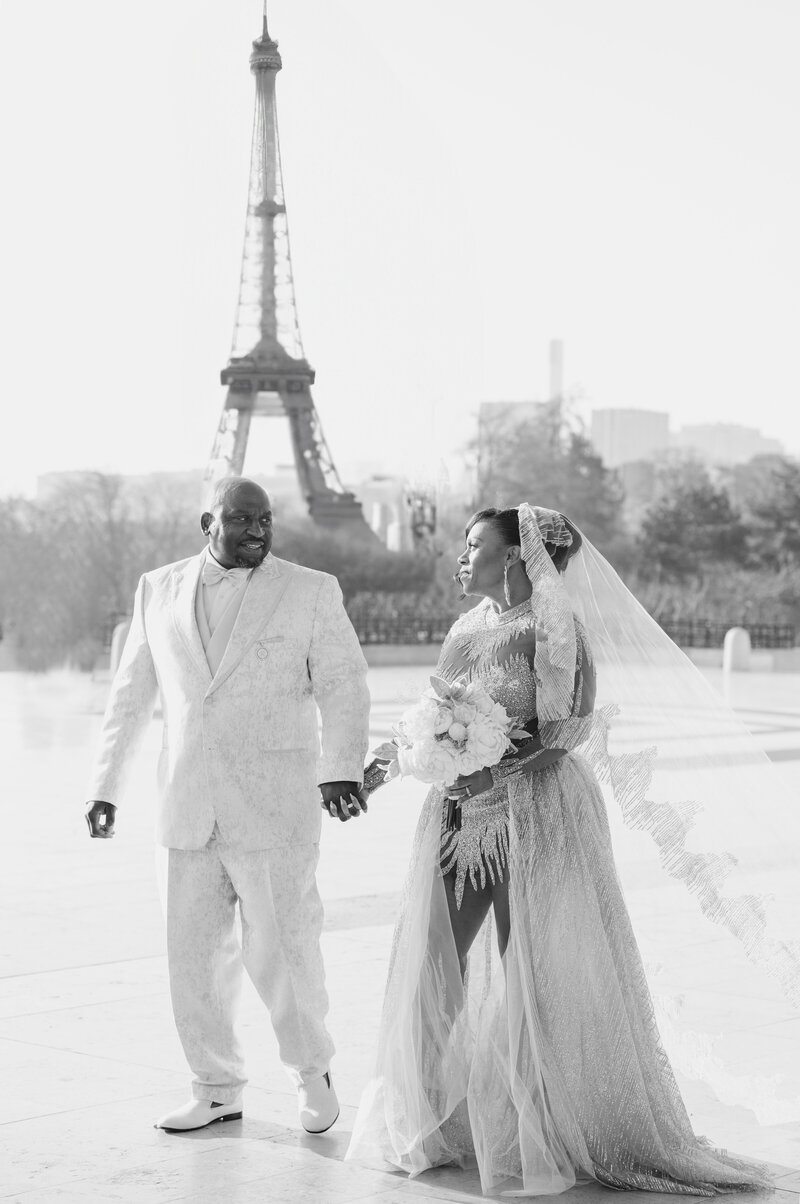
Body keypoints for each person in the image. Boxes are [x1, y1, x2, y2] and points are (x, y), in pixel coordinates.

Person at [346, 503, 798, 1196]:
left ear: (515, 557)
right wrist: (403, 758)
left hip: (539, 813)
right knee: (431, 960)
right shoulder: (467, 627)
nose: (460, 558)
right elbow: (436, 713)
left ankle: (545, 1128)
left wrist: (496, 766)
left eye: (474, 546)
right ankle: (423, 1121)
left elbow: (568, 727)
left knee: (531, 971)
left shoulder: (556, 630)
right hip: (457, 814)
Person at [84, 477, 370, 1134]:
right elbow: (131, 696)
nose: (258, 532)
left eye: (266, 520)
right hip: (185, 805)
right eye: (242, 520)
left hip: (276, 807)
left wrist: (339, 770)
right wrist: (105, 786)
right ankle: (215, 1086)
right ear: (207, 521)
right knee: (191, 958)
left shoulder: (310, 589)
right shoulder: (157, 588)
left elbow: (343, 684)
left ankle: (311, 1071)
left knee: (287, 949)